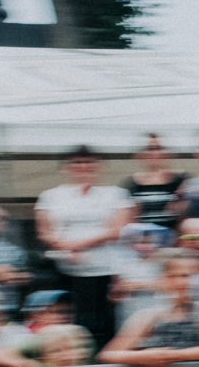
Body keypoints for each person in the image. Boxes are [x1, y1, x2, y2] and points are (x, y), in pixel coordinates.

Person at [34, 146, 136, 353]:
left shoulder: (117, 194)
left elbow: (119, 229)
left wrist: (77, 245)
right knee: (70, 324)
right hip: (66, 273)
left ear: (99, 166)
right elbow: (44, 232)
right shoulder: (50, 196)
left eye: (89, 162)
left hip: (106, 272)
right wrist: (63, 247)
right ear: (66, 167)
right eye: (77, 162)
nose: (83, 166)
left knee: (106, 325)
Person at [123, 134, 187, 229]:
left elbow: (187, 214)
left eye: (159, 148)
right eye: (149, 149)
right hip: (142, 235)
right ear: (140, 154)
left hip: (172, 234)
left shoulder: (180, 181)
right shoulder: (132, 184)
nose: (155, 153)